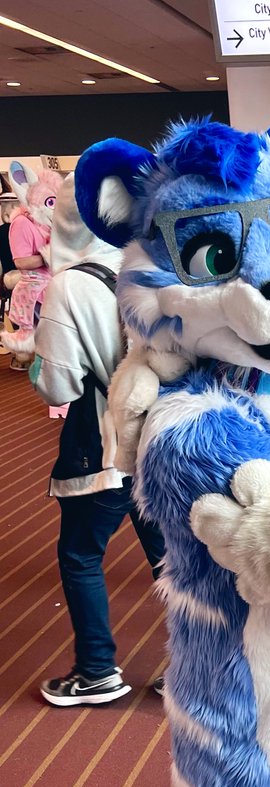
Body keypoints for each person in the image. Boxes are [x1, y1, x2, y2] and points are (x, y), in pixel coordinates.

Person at [29, 174, 165, 706]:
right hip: (161, 437)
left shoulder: (69, 285)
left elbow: (57, 385)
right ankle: (195, 662)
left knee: (81, 554)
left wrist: (38, 360)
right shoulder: (154, 264)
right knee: (172, 560)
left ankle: (96, 670)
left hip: (105, 444)